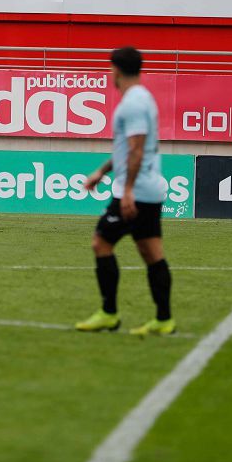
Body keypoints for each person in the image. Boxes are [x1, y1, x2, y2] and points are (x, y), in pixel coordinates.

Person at [76, 47, 174, 336]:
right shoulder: (142, 98)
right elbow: (127, 150)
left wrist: (128, 191)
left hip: (136, 191)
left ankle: (109, 313)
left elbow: (136, 149)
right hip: (147, 188)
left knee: (100, 243)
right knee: (152, 252)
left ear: (116, 69)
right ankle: (163, 319)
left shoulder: (132, 103)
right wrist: (102, 172)